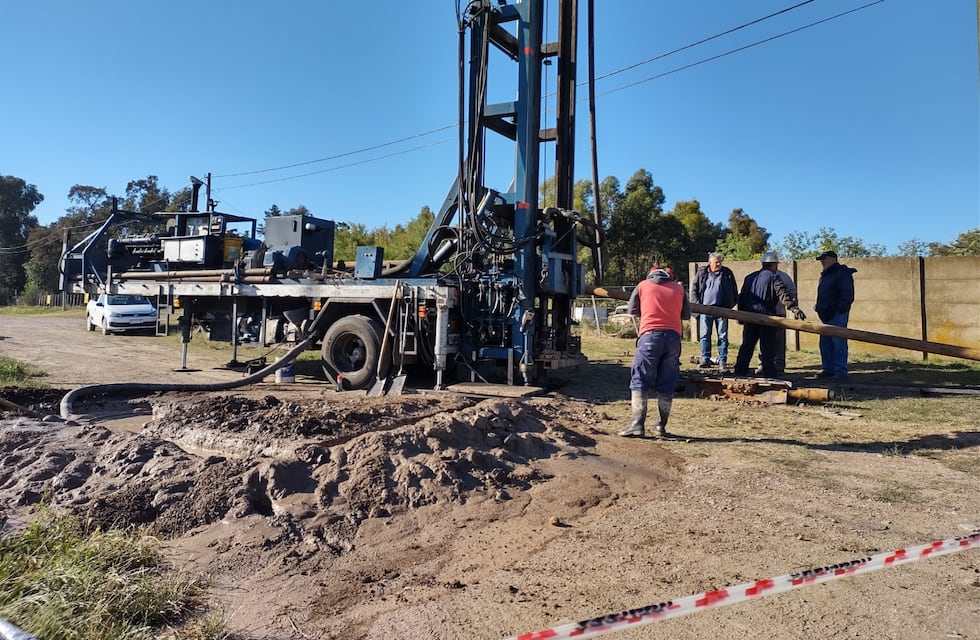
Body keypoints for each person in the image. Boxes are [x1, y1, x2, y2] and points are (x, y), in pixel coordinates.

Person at [618, 266, 691, 439]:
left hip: (650, 337)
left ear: (650, 275)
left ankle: (637, 425)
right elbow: (686, 315)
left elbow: (632, 310)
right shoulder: (679, 288)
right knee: (667, 382)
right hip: (673, 339)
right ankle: (660, 426)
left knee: (640, 379)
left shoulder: (643, 286)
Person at [733, 257, 805, 378]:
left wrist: (741, 316)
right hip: (767, 318)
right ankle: (770, 373)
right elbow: (783, 294)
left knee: (747, 346)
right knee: (768, 349)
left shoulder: (749, 277)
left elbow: (742, 297)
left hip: (750, 318)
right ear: (774, 265)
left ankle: (740, 371)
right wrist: (794, 308)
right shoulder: (774, 277)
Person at [690, 252, 738, 373]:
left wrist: (730, 305)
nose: (718, 264)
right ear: (710, 262)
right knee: (705, 335)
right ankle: (705, 359)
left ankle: (722, 360)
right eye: (716, 262)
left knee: (722, 336)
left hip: (721, 309)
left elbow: (734, 290)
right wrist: (697, 307)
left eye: (720, 262)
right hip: (705, 309)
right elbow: (694, 289)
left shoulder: (727, 273)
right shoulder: (702, 272)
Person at [814, 250, 857, 378]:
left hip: (837, 314)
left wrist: (840, 308)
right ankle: (828, 369)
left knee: (838, 343)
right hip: (825, 315)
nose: (822, 261)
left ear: (833, 259)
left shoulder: (842, 273)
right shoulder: (826, 274)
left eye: (824, 258)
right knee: (825, 343)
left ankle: (840, 371)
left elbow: (847, 294)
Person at [755, 252, 798, 376]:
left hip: (769, 314)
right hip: (770, 314)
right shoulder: (779, 277)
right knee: (773, 341)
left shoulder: (759, 276)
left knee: (771, 341)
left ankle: (771, 365)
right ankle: (771, 365)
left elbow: (791, 292)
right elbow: (791, 293)